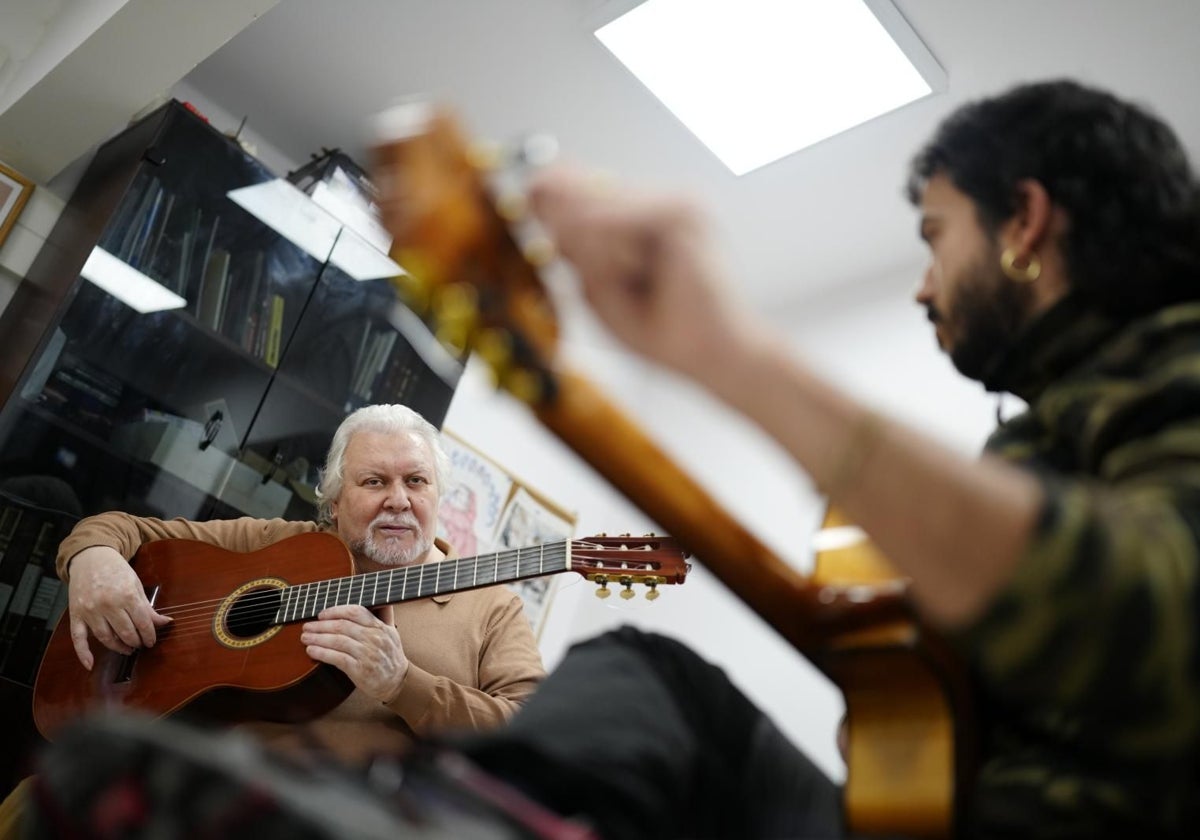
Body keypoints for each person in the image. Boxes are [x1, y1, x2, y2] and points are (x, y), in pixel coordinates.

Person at [434, 78, 1200, 839]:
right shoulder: (1051, 433)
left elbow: (1163, 627)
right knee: (648, 682)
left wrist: (732, 353)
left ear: (1024, 223)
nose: (924, 289)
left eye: (936, 236)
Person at [0, 403, 546, 835]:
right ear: (333, 502)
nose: (398, 501)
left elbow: (531, 747)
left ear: (438, 497)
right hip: (183, 793)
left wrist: (405, 686)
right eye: (374, 482)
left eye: (417, 481)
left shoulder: (492, 608)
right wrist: (94, 560)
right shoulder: (279, 544)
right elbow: (117, 528)